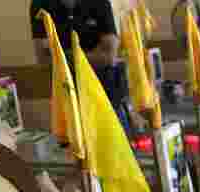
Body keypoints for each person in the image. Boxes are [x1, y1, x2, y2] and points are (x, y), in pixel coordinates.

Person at [29, 0, 134, 136]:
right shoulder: (40, 4)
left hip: (106, 99)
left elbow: (109, 56)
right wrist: (92, 54)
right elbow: (44, 60)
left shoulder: (100, 3)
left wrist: (63, 55)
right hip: (70, 103)